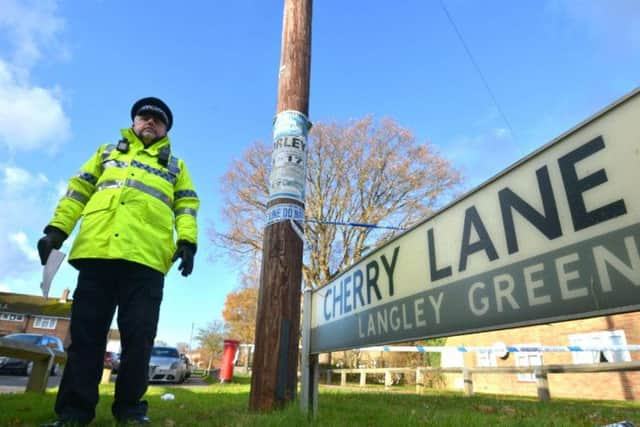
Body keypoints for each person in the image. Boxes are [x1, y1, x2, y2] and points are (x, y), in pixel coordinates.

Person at [38, 97, 199, 426]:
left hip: (146, 261)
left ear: (166, 129)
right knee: (86, 339)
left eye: (158, 119)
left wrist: (187, 242)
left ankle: (130, 411)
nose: (150, 121)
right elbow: (77, 191)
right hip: (97, 255)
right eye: (144, 116)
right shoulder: (107, 153)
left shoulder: (175, 166)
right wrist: (57, 231)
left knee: (139, 339)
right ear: (134, 122)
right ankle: (73, 413)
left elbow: (187, 206)